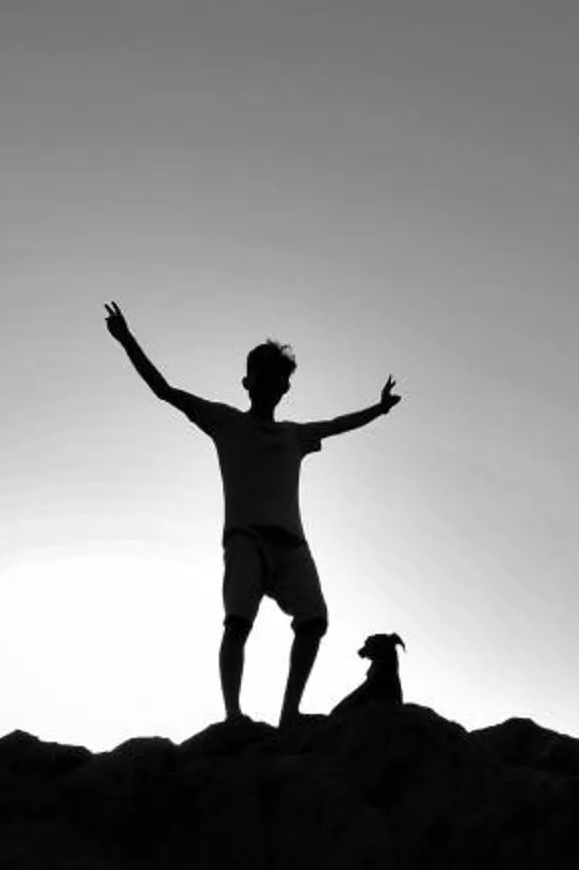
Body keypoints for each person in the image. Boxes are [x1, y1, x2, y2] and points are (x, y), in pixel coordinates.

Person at [103, 302, 399, 723]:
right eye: (262, 374)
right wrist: (126, 339)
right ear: (247, 381)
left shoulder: (294, 436)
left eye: (278, 377)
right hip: (245, 540)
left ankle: (289, 712)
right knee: (238, 624)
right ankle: (233, 714)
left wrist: (379, 408)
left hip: (291, 547)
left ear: (285, 388)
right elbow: (165, 390)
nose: (270, 381)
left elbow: (337, 424)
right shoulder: (224, 422)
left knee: (314, 621)